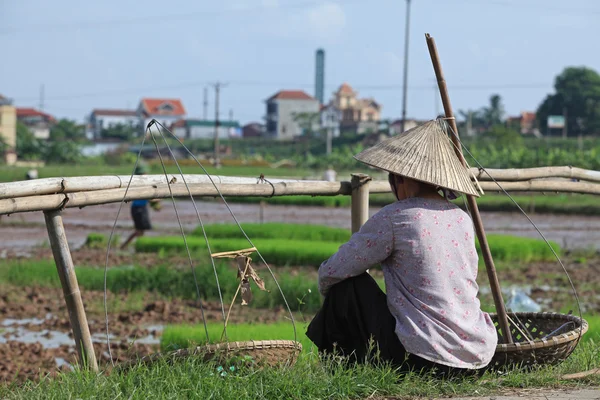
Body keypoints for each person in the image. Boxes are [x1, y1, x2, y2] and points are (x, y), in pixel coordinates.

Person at [306, 119, 498, 377]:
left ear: (401, 179)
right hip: (475, 357)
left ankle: (340, 373)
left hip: (423, 356)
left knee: (346, 287)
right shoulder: (462, 218)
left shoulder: (396, 217)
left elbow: (332, 272)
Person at [120, 163, 161, 250]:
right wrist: (156, 200)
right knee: (139, 231)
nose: (146, 175)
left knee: (141, 231)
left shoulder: (144, 184)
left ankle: (132, 246)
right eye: (144, 174)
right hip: (138, 209)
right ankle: (125, 246)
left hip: (141, 208)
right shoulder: (139, 185)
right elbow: (147, 197)